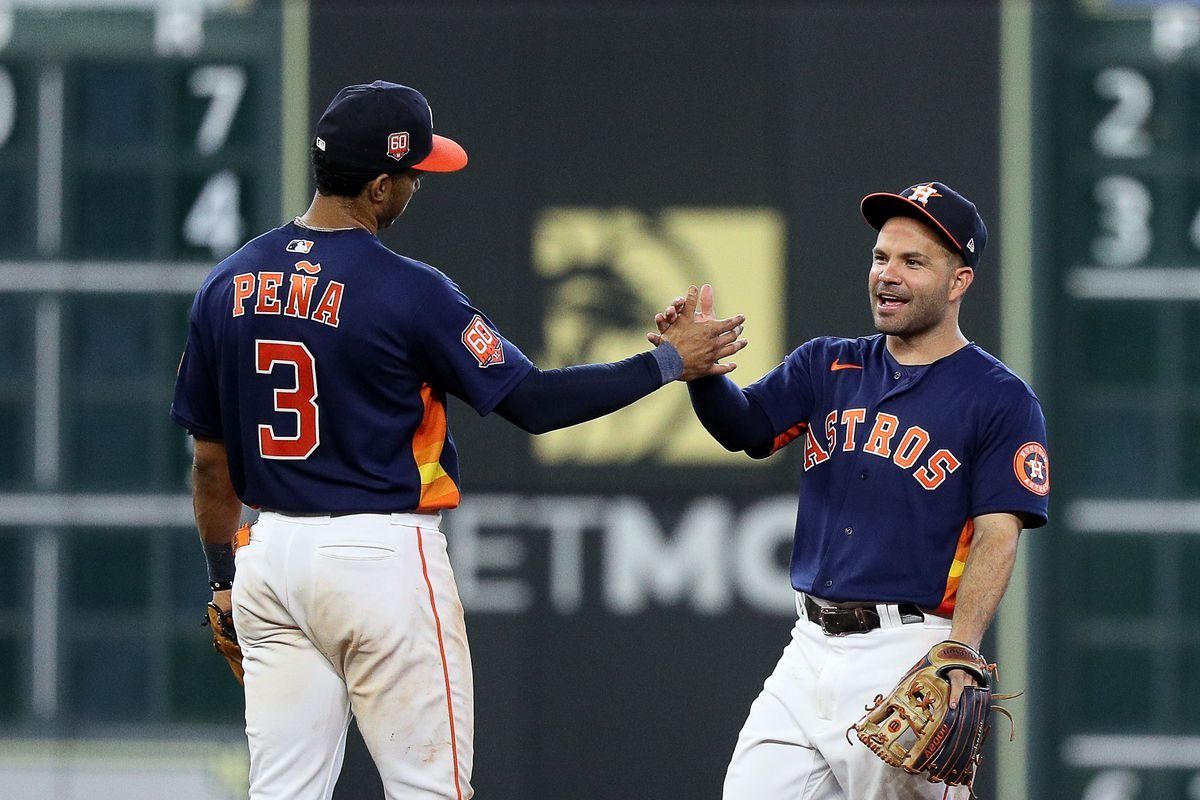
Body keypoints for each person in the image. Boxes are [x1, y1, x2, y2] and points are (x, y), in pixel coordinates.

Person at [170, 80, 746, 800]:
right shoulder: (409, 291)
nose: (417, 186)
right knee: (429, 790)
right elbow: (531, 403)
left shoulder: (229, 282)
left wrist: (225, 583)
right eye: (411, 175)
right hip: (377, 558)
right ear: (379, 186)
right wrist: (666, 362)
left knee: (283, 793)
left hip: (271, 557)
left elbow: (211, 469)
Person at [651, 182, 1049, 799]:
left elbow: (999, 535)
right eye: (881, 257)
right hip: (808, 646)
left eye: (913, 262)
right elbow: (745, 430)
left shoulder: (1000, 398)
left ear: (959, 280)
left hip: (910, 652)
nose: (888, 275)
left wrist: (959, 653)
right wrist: (701, 377)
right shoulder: (828, 365)